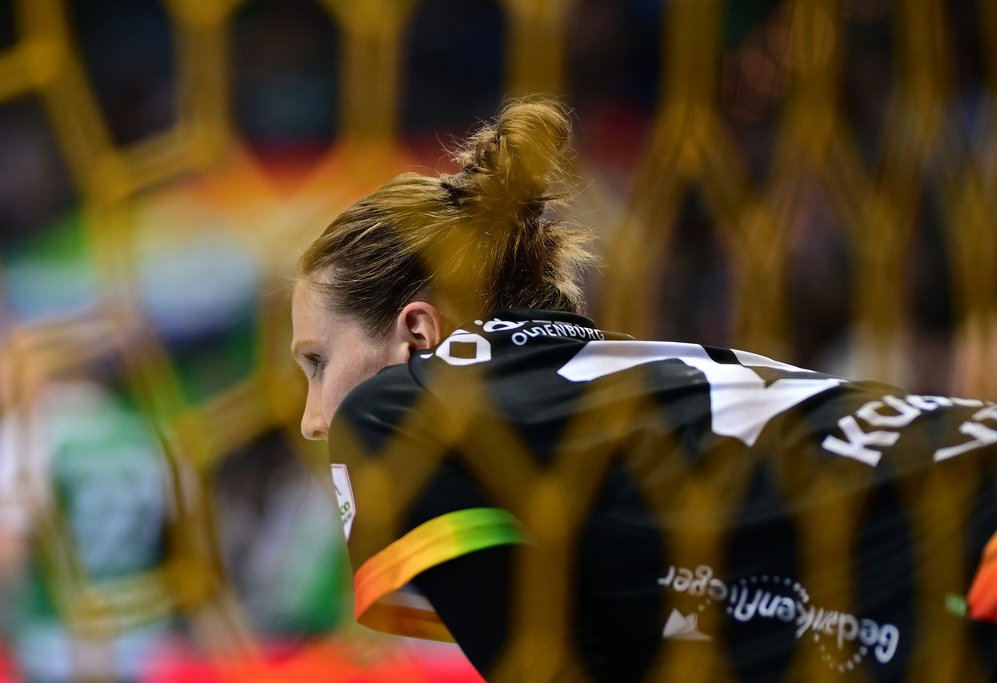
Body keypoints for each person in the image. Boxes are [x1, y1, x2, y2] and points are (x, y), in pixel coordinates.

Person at [290, 98, 997, 681]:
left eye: (317, 364)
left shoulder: (399, 406)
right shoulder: (612, 387)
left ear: (418, 333)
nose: (313, 420)